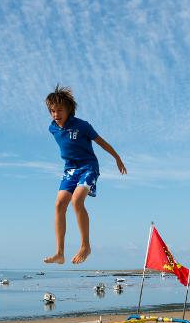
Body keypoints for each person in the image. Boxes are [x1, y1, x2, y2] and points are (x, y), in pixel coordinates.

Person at [43, 85, 127, 265]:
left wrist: (117, 157)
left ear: (68, 110)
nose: (55, 114)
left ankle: (85, 246)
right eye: (52, 111)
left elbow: (101, 142)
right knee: (59, 204)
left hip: (88, 166)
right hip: (69, 169)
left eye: (59, 110)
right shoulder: (52, 128)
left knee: (77, 200)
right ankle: (59, 252)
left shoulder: (82, 126)